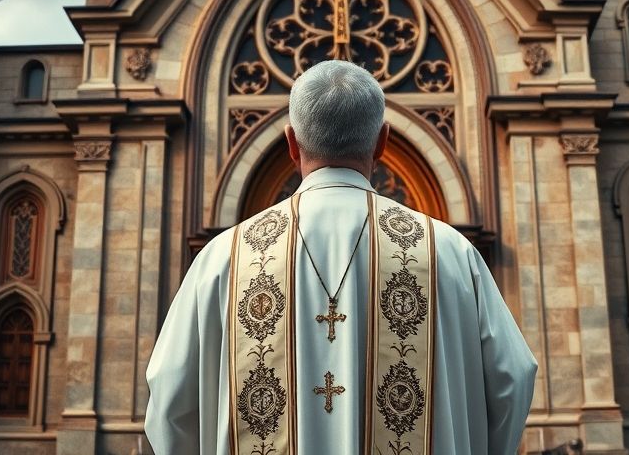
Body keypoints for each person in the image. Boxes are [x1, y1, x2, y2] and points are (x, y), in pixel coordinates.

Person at [145, 60, 537, 455]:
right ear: (383, 141)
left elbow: (169, 396)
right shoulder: (449, 252)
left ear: (291, 144)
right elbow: (514, 377)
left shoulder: (221, 259)